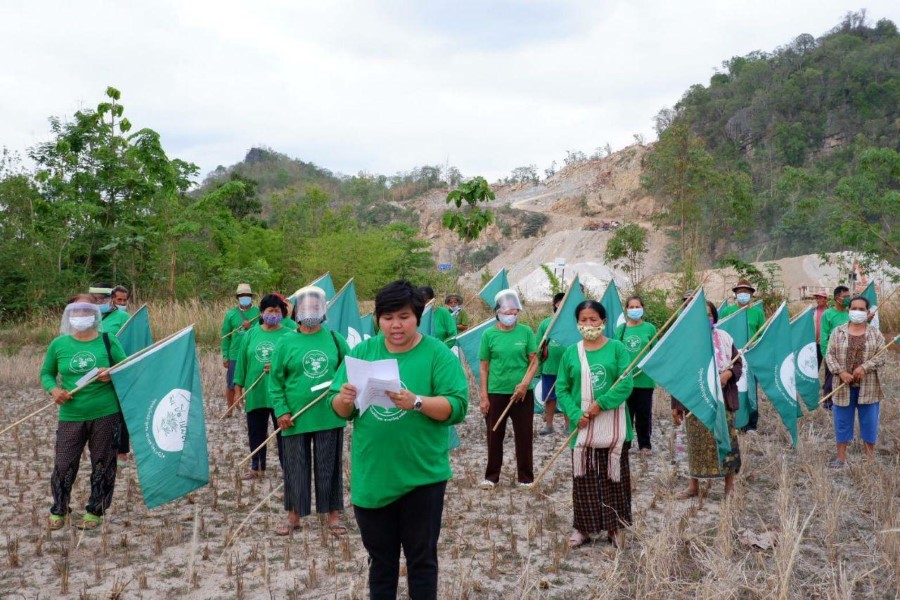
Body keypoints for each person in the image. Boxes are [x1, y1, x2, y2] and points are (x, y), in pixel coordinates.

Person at [330, 280, 468, 599]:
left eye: (404, 316)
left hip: (423, 477)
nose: (396, 324)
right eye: (388, 317)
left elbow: (457, 407)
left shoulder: (437, 354)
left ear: (417, 316)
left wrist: (417, 401)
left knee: (421, 561)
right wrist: (345, 397)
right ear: (377, 318)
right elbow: (338, 410)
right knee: (381, 564)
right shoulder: (363, 352)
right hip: (374, 476)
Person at [40, 297, 127, 530]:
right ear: (69, 315)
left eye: (86, 310)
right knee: (63, 463)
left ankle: (95, 511)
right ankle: (59, 509)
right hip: (71, 414)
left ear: (95, 314)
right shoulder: (59, 344)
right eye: (76, 311)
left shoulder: (109, 341)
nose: (81, 315)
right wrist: (54, 390)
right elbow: (46, 373)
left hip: (106, 412)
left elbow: (127, 368)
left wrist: (112, 373)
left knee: (103, 463)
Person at [270, 286, 350, 535]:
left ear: (323, 310)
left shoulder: (335, 339)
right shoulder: (285, 341)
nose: (311, 311)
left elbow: (350, 369)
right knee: (295, 467)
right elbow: (275, 381)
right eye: (306, 306)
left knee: (330, 467)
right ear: (297, 310)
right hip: (294, 418)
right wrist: (282, 410)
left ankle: (333, 517)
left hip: (329, 415)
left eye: (316, 306)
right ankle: (293, 516)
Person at [555, 300, 634, 549]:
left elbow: (625, 383)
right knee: (585, 479)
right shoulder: (571, 353)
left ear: (604, 322)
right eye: (583, 320)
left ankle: (614, 528)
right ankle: (584, 529)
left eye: (593, 319)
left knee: (614, 478)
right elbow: (562, 387)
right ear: (577, 323)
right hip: (582, 425)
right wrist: (574, 412)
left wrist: (600, 404)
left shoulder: (618, 349)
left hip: (614, 425)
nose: (588, 324)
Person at [672, 301, 742, 499]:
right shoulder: (685, 342)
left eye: (708, 314)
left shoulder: (725, 338)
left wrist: (727, 374)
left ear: (714, 317)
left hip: (723, 399)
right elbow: (678, 375)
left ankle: (729, 486)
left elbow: (738, 364)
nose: (705, 319)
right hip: (695, 399)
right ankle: (693, 486)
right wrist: (676, 405)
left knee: (726, 440)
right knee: (695, 444)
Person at [478, 289, 539, 489]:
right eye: (506, 312)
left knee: (524, 435)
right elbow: (484, 366)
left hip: (522, 394)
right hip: (496, 392)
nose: (510, 316)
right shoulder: (489, 334)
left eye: (514, 312)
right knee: (494, 435)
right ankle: (491, 477)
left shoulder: (526, 332)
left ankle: (526, 477)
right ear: (497, 312)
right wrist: (484, 396)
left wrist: (525, 384)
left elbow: (534, 361)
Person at [233, 294, 292, 479]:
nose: (274, 314)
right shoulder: (251, 334)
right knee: (256, 432)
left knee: (284, 433)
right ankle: (256, 467)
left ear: (282, 313)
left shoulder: (289, 335)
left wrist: (277, 367)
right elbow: (241, 364)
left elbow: (293, 365)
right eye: (270, 310)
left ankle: (288, 468)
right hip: (256, 393)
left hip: (280, 395)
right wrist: (237, 391)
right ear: (261, 312)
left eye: (277, 310)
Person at [824, 296, 886, 468]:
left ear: (867, 312)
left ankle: (869, 457)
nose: (857, 312)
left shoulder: (875, 333)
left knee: (869, 422)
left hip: (869, 387)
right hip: (843, 387)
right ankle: (841, 458)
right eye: (854, 308)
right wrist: (841, 372)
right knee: (842, 421)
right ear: (848, 310)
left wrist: (865, 367)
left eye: (861, 309)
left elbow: (882, 356)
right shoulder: (838, 332)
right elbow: (829, 356)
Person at [719, 279, 764, 432]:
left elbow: (762, 334)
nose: (743, 294)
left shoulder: (757, 312)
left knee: (750, 389)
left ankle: (751, 424)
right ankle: (734, 422)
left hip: (750, 356)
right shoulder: (727, 312)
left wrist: (754, 343)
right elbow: (721, 333)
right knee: (733, 388)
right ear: (735, 294)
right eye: (740, 292)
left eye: (746, 292)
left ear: (751, 294)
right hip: (732, 356)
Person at [615, 296, 658, 455]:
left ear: (643, 308)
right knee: (625, 413)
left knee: (643, 414)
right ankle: (625, 443)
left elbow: (655, 352)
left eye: (637, 306)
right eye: (631, 307)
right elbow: (616, 353)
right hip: (625, 379)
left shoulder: (650, 328)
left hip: (644, 379)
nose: (634, 310)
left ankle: (645, 444)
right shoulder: (621, 329)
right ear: (626, 310)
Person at [221, 284, 260, 411]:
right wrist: (225, 356)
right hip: (234, 354)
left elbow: (262, 332)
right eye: (242, 296)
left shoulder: (258, 313)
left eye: (247, 296)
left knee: (252, 382)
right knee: (231, 383)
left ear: (251, 297)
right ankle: (229, 408)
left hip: (252, 353)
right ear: (237, 297)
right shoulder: (230, 314)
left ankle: (250, 407)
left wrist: (251, 327)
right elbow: (225, 337)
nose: (245, 298)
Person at [536, 292, 566, 436]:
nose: (563, 305)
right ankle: (549, 425)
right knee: (549, 397)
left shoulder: (573, 323)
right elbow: (538, 346)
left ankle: (569, 426)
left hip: (568, 368)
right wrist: (537, 367)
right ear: (555, 304)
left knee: (568, 397)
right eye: (560, 302)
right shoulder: (546, 323)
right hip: (549, 367)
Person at [820, 285, 851, 410]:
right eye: (846, 297)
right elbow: (823, 337)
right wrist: (826, 356)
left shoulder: (849, 313)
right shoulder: (828, 314)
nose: (848, 299)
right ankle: (827, 402)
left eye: (849, 296)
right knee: (830, 378)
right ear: (837, 298)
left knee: (845, 377)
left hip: (847, 353)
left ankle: (842, 401)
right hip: (832, 353)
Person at [813, 289, 829, 368]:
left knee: (829, 366)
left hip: (827, 344)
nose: (817, 300)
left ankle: (827, 380)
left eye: (820, 298)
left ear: (825, 299)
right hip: (815, 343)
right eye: (817, 298)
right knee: (815, 365)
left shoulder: (830, 312)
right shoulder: (812, 312)